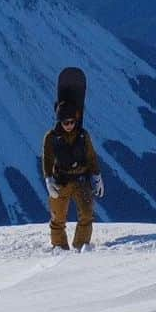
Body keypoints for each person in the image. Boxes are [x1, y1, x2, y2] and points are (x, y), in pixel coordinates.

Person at [42, 100, 104, 251]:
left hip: (81, 180)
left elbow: (91, 157)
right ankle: (59, 248)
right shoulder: (51, 137)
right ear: (60, 121)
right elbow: (47, 159)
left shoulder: (83, 136)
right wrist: (48, 179)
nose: (69, 125)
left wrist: (96, 176)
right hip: (60, 181)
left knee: (87, 213)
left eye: (71, 122)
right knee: (57, 218)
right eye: (65, 122)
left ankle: (81, 246)